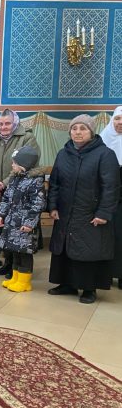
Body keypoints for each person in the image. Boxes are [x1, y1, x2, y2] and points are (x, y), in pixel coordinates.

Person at [47, 115, 119, 304]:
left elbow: (111, 187)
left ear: (91, 132)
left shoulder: (105, 154)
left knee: (87, 250)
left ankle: (89, 289)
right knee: (64, 248)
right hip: (65, 212)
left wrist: (103, 212)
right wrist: (52, 206)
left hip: (90, 213)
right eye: (74, 128)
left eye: (83, 128)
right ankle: (66, 284)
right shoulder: (63, 154)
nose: (77, 132)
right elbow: (55, 182)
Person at [0, 108, 40, 278]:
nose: (3, 127)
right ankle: (8, 263)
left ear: (15, 123)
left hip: (19, 193)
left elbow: (28, 164)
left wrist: (5, 183)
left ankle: (18, 268)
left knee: (17, 232)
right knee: (3, 229)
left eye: (7, 123)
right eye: (0, 124)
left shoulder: (27, 137)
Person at [0, 146, 45, 292]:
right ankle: (15, 278)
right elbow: (6, 198)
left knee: (24, 252)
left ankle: (24, 282)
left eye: (15, 163)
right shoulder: (14, 178)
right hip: (12, 222)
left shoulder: (35, 181)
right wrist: (1, 215)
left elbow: (38, 204)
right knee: (14, 250)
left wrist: (29, 223)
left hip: (24, 225)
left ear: (24, 164)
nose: (12, 165)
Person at [101, 106, 122, 289]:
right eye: (117, 119)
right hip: (107, 199)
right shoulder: (103, 139)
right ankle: (105, 273)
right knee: (107, 235)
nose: (120, 123)